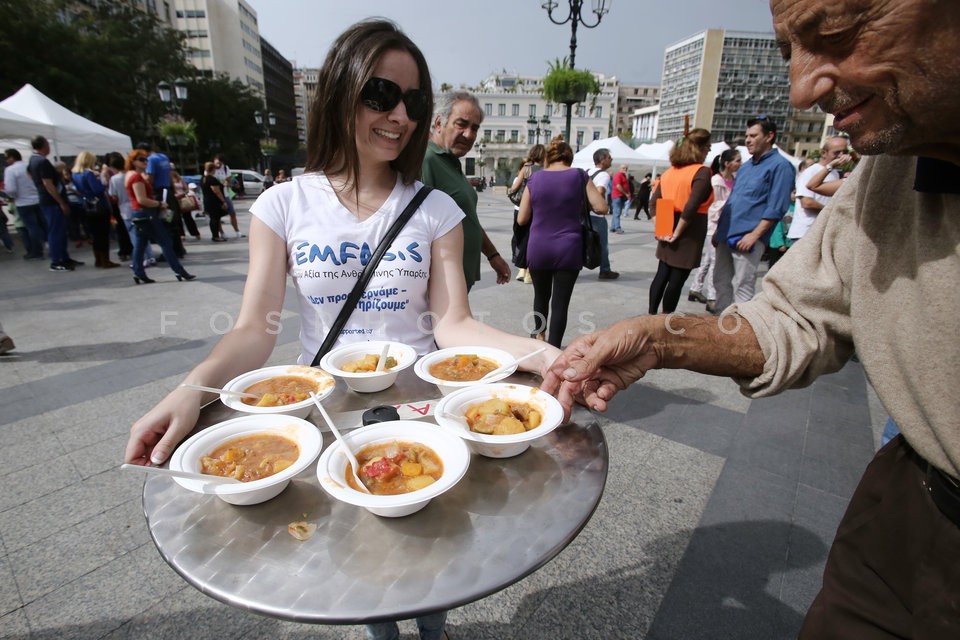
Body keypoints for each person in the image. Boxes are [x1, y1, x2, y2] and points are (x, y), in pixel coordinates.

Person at [123, 19, 558, 640]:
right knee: (363, 549)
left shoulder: (435, 209)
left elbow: (455, 324)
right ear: (340, 93)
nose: (399, 116)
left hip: (418, 407)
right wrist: (191, 390)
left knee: (429, 547)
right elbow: (253, 329)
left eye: (414, 102)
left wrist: (544, 353)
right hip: (328, 409)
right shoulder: (282, 205)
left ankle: (433, 630)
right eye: (381, 95)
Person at [544, 0, 960, 636]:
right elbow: (795, 315)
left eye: (839, 35)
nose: (802, 90)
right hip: (908, 506)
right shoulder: (889, 169)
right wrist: (659, 338)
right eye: (789, 50)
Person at [518, 136, 607, 346]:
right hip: (569, 247)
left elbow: (522, 219)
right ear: (569, 157)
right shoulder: (579, 176)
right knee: (560, 303)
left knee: (541, 296)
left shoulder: (535, 179)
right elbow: (602, 207)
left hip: (538, 247)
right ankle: (554, 349)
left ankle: (539, 336)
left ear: (549, 157)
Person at [421, 91, 510, 290]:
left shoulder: (450, 162)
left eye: (475, 128)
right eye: (461, 124)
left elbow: (466, 218)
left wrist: (493, 255)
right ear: (438, 123)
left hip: (458, 279)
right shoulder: (427, 160)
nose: (469, 135)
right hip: (440, 284)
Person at [712, 116, 793, 310]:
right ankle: (721, 324)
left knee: (743, 285)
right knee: (719, 281)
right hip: (726, 233)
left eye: (753, 135)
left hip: (748, 236)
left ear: (769, 136)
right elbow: (733, 200)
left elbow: (777, 207)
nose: (747, 140)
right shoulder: (746, 167)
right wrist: (719, 230)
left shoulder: (780, 166)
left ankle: (739, 331)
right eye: (747, 135)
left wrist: (755, 235)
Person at [648, 129, 714, 315]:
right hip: (689, 228)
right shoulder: (701, 172)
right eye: (708, 147)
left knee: (662, 274)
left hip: (666, 220)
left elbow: (654, 203)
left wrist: (661, 228)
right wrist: (677, 232)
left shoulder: (670, 172)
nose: (709, 151)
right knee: (676, 279)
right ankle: (666, 318)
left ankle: (652, 314)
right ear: (699, 148)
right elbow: (691, 206)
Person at [123, 150, 196, 284]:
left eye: (146, 159)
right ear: (133, 162)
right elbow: (141, 199)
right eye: (141, 159)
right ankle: (179, 271)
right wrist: (159, 203)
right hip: (145, 213)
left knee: (140, 245)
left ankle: (138, 272)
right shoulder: (135, 177)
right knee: (165, 242)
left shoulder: (133, 175)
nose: (145, 162)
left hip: (140, 214)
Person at [689, 149, 740, 312]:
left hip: (727, 225)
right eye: (737, 160)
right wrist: (728, 205)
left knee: (709, 260)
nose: (740, 163)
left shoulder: (734, 179)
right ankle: (712, 296)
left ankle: (695, 288)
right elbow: (712, 205)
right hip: (714, 226)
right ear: (727, 163)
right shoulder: (716, 181)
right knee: (715, 262)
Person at [28, 136, 83, 271]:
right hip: (51, 202)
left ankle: (64, 257)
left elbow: (29, 173)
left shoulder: (33, 160)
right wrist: (61, 202)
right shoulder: (42, 162)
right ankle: (56, 260)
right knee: (56, 231)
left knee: (60, 230)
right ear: (44, 145)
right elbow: (48, 184)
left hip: (47, 200)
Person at [787, 137, 849, 244]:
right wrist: (829, 210)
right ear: (824, 153)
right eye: (837, 152)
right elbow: (806, 203)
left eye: (845, 152)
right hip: (805, 233)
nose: (841, 156)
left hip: (821, 232)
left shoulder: (835, 173)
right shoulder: (811, 172)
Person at [71, 150, 119, 268]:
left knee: (95, 234)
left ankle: (98, 259)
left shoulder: (75, 174)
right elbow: (97, 190)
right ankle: (105, 260)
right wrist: (101, 183)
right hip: (99, 206)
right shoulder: (89, 174)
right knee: (103, 234)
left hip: (86, 205)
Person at [139, 142, 187, 258]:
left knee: (163, 223)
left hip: (158, 192)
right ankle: (178, 249)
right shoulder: (164, 157)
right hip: (168, 191)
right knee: (171, 220)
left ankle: (170, 252)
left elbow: (150, 179)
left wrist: (141, 176)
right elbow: (169, 175)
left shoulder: (150, 160)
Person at [108, 152, 155, 269]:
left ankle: (142, 259)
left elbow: (113, 195)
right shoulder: (133, 175)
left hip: (125, 208)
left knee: (135, 236)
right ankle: (149, 256)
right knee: (143, 233)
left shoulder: (115, 179)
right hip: (137, 206)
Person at [508, 143, 545, 284]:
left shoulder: (526, 169)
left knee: (523, 239)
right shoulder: (546, 170)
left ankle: (522, 270)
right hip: (539, 210)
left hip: (521, 209)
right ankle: (529, 271)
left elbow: (514, 188)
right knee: (534, 240)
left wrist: (513, 195)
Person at [3, 148, 45, 260]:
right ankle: (46, 245)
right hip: (37, 199)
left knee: (31, 227)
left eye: (7, 158)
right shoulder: (29, 165)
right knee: (42, 225)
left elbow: (10, 189)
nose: (6, 161)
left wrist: (10, 196)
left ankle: (36, 251)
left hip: (23, 202)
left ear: (12, 157)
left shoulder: (10, 170)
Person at [586, 148, 619, 280]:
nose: (611, 160)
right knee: (602, 244)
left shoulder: (587, 172)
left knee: (582, 241)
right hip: (596, 216)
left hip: (584, 214)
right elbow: (600, 193)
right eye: (609, 158)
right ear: (603, 159)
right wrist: (600, 208)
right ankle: (605, 270)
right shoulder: (603, 175)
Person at [213, 155, 244, 238]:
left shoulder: (225, 168)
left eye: (220, 163)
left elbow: (230, 182)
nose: (218, 165)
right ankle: (221, 233)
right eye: (216, 163)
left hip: (225, 194)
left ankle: (237, 231)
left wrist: (229, 184)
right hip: (215, 196)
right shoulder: (212, 169)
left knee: (232, 213)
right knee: (218, 216)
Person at [200, 161, 229, 242]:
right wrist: (223, 201)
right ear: (213, 169)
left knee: (213, 218)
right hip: (214, 202)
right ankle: (215, 236)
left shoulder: (203, 178)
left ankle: (215, 235)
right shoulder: (211, 179)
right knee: (215, 219)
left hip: (207, 201)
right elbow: (216, 191)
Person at [609, 164, 629, 234]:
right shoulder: (618, 175)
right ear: (619, 168)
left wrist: (627, 193)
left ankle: (612, 227)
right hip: (617, 196)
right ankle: (618, 228)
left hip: (620, 196)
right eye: (623, 168)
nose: (625, 169)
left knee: (616, 212)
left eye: (626, 168)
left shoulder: (624, 176)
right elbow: (618, 186)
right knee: (617, 212)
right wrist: (626, 193)